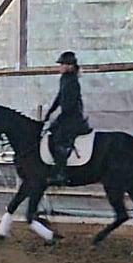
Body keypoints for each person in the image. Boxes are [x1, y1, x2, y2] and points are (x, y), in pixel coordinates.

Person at [43, 51, 91, 185]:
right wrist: (50, 112)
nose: (61, 67)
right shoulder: (64, 79)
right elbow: (59, 97)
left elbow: (69, 105)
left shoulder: (72, 81)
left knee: (59, 138)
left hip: (72, 117)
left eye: (63, 64)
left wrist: (58, 118)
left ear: (70, 66)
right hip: (67, 115)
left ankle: (61, 172)